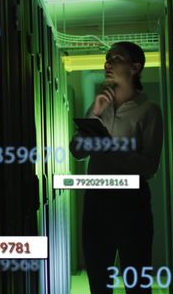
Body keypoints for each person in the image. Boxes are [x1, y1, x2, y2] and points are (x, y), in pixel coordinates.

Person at [69, 42, 163, 294]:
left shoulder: (149, 111)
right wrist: (95, 112)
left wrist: (110, 148)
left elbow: (150, 166)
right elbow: (77, 150)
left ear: (135, 67)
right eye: (107, 58)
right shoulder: (98, 106)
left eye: (117, 58)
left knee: (137, 284)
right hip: (97, 202)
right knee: (99, 283)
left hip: (131, 202)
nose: (108, 63)